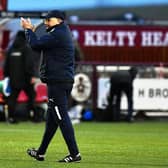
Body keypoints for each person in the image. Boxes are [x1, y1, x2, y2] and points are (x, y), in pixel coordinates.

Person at [20, 10, 81, 163]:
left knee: (61, 117)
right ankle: (40, 153)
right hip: (62, 80)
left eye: (49, 20)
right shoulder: (61, 32)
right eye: (46, 20)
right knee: (52, 120)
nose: (46, 22)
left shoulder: (57, 34)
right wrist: (32, 32)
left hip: (58, 82)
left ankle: (75, 154)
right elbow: (41, 43)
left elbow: (35, 44)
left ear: (59, 20)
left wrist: (28, 30)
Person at [4, 31, 38, 124]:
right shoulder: (26, 48)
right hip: (26, 79)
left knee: (12, 99)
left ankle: (11, 118)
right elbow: (29, 64)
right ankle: (34, 116)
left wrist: (7, 76)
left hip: (13, 79)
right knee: (31, 97)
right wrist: (32, 76)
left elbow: (6, 65)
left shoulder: (11, 49)